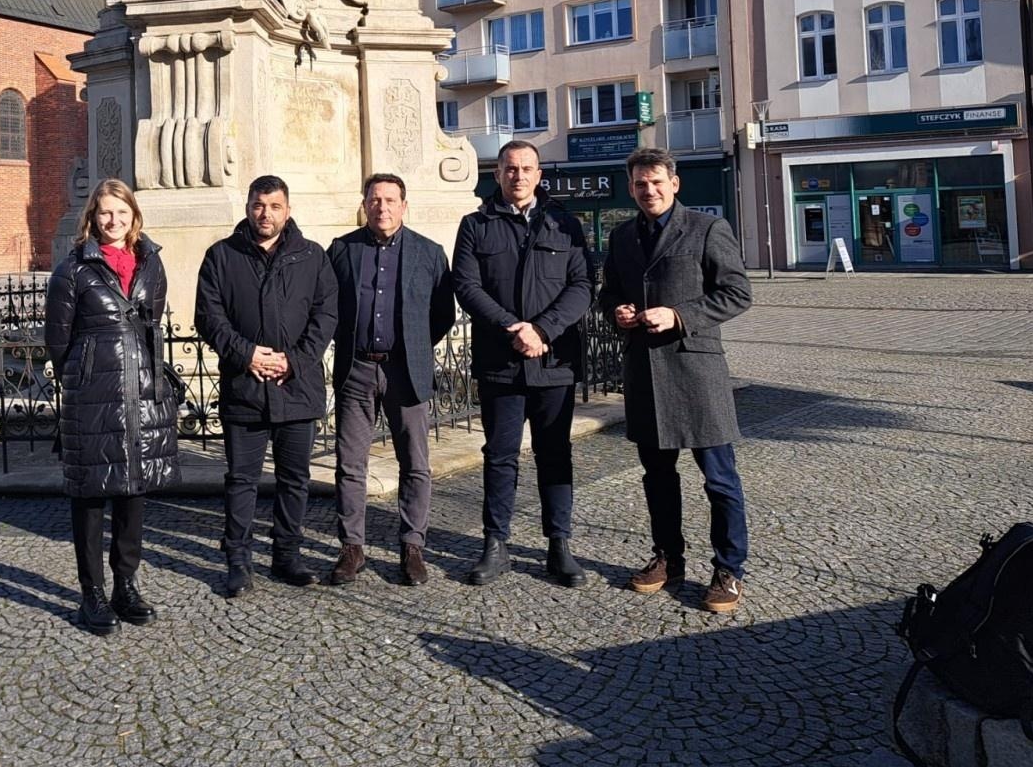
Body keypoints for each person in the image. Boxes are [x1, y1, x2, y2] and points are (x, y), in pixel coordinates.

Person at [599, 147, 754, 614]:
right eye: (640, 184)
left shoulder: (708, 229)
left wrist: (680, 315)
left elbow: (737, 292)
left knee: (720, 479)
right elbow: (608, 292)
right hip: (645, 371)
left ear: (674, 183)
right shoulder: (622, 236)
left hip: (696, 369)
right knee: (658, 477)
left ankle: (729, 568)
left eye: (656, 182)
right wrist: (618, 312)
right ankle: (668, 557)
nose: (648, 191)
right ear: (631, 188)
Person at [452, 141, 593, 588]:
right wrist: (514, 327)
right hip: (501, 361)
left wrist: (544, 330)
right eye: (510, 168)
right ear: (499, 173)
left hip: (553, 361)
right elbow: (466, 285)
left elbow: (583, 285)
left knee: (556, 455)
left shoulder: (564, 223)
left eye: (526, 168)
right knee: (499, 456)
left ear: (539, 173)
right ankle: (495, 545)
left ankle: (559, 545)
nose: (518, 176)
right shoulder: (476, 225)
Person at [44, 179, 179, 636]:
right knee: (89, 496)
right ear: (92, 217)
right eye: (105, 212)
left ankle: (126, 585)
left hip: (140, 388)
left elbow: (152, 324)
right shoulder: (73, 269)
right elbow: (58, 341)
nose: (113, 220)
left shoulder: (150, 263)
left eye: (121, 212)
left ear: (134, 216)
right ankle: (92, 595)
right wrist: (83, 375)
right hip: (92, 392)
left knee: (132, 493)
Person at [195, 174, 337, 598]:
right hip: (245, 385)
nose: (266, 214)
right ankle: (238, 560)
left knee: (295, 479)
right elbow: (209, 316)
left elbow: (326, 314)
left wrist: (294, 360)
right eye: (259, 205)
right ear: (247, 206)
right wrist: (247, 354)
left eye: (274, 206)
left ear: (287, 210)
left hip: (297, 386)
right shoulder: (222, 255)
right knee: (242, 479)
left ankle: (286, 555)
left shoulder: (311, 256)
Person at [323, 173, 454, 587]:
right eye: (375, 199)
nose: (383, 207)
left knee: (415, 463)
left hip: (404, 369)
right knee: (350, 463)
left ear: (404, 205)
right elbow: (328, 306)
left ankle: (412, 545)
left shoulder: (429, 253)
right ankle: (352, 547)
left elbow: (442, 314)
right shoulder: (342, 250)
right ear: (364, 203)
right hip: (356, 369)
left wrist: (414, 344)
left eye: (391, 199)